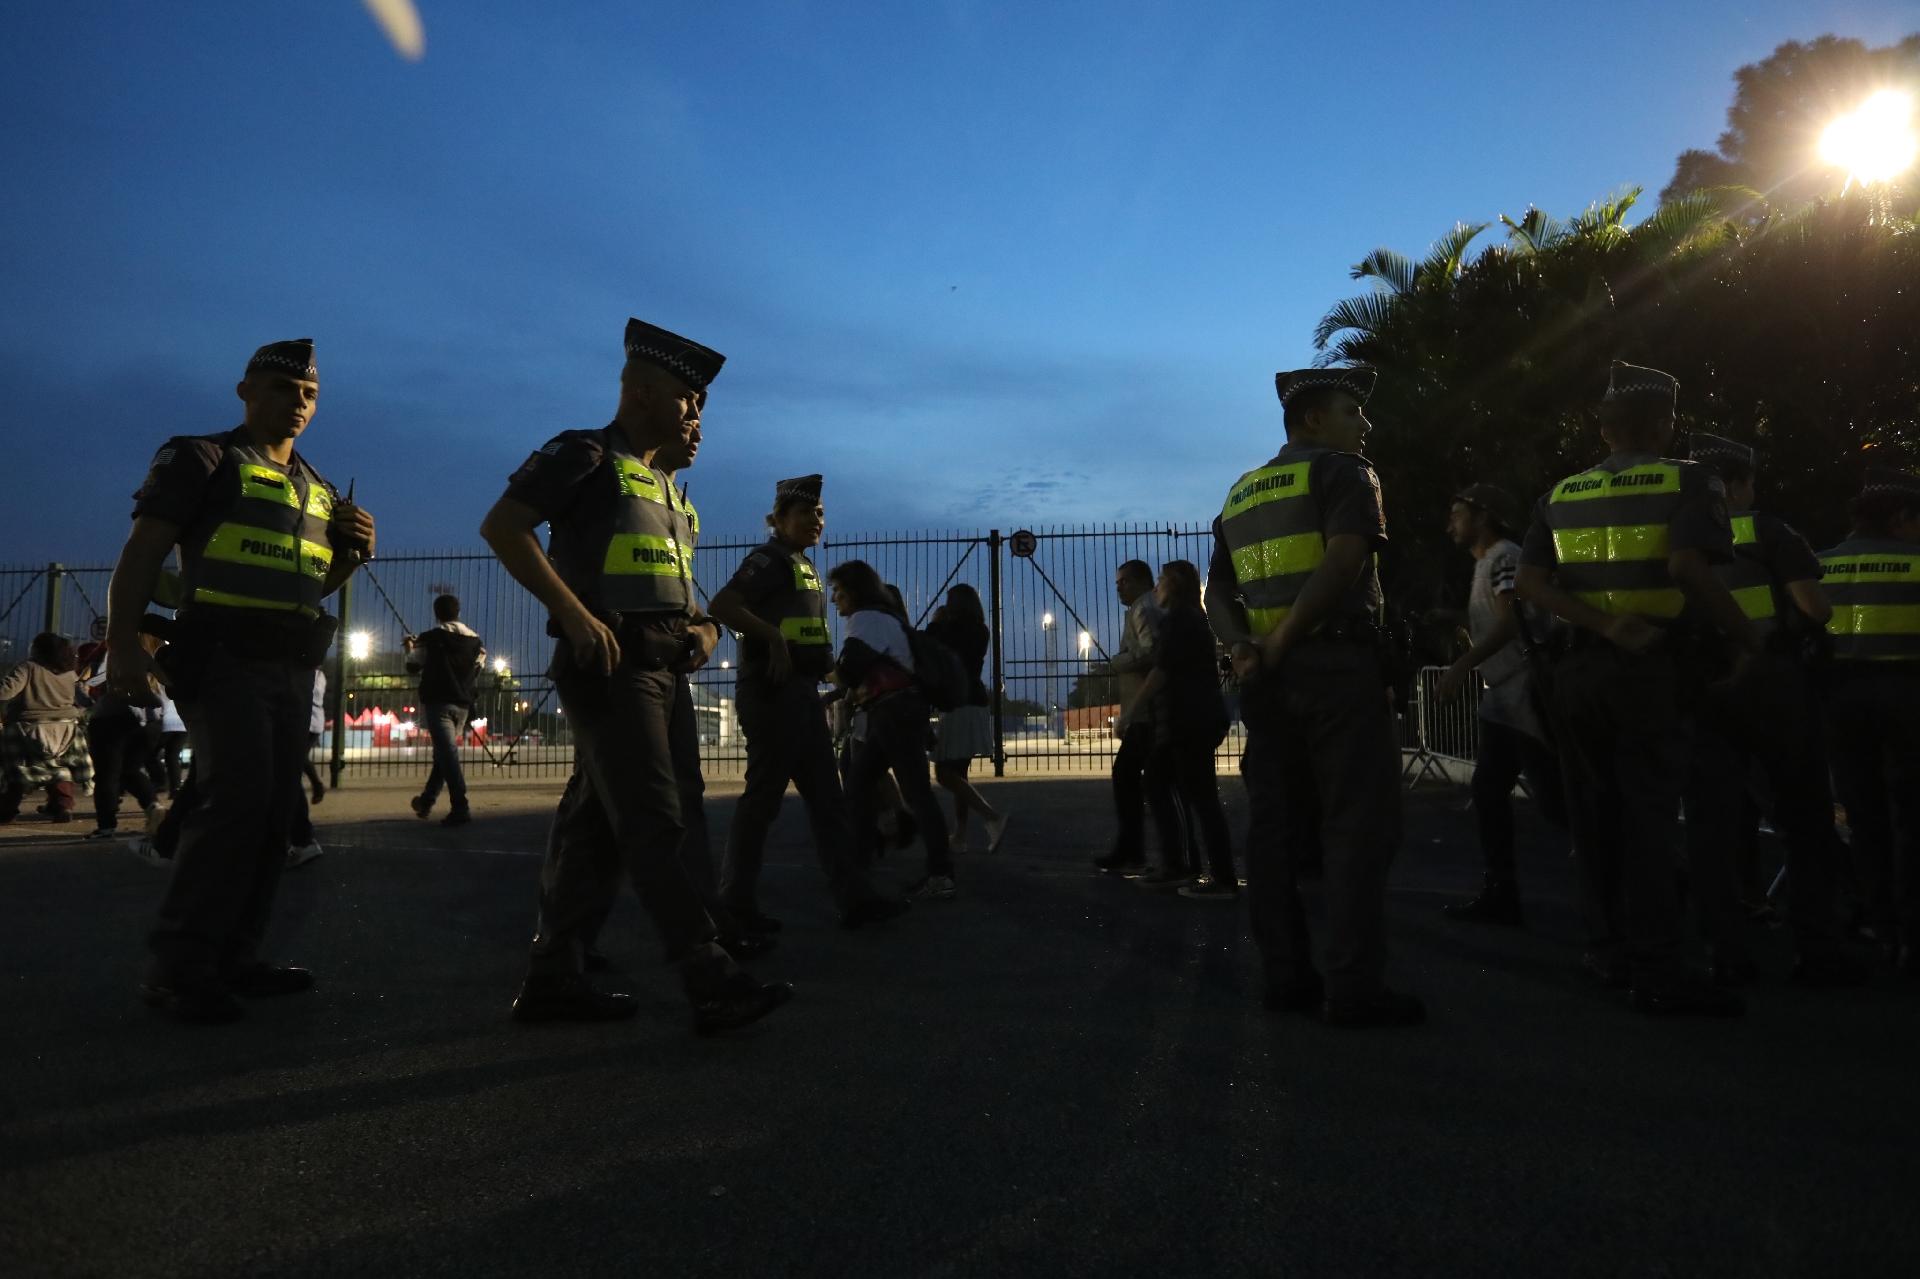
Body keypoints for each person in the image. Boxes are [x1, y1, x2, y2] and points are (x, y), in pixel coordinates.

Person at [478, 316, 789, 1034]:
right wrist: (575, 613)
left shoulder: (671, 491)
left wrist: (707, 626)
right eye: (689, 398)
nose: (698, 414)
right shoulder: (584, 454)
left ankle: (554, 975)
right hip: (610, 666)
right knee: (656, 822)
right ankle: (709, 976)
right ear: (643, 390)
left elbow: (677, 587)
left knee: (595, 828)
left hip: (664, 671)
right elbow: (503, 526)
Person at [105, 338, 376, 1024]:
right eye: (285, 389)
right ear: (246, 391)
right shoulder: (202, 457)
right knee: (236, 803)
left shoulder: (313, 485)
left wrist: (351, 553)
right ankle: (179, 965)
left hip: (289, 660)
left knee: (272, 813)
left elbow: (313, 586)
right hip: (221, 654)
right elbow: (142, 551)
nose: (299, 404)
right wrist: (123, 650)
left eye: (310, 394)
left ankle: (234, 956)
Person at [1516, 360, 1753, 1017]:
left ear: (1606, 430)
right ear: (1665, 423)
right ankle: (1658, 968)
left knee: (1595, 817)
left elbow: (1532, 586)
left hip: (1578, 673)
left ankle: (1606, 950)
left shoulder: (1559, 495)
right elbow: (1688, 567)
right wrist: (1745, 638)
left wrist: (1599, 623)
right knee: (1649, 816)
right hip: (1651, 669)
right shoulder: (1690, 478)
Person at [1208, 366, 1422, 1027]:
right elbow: (1345, 559)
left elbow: (1219, 594)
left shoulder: (1241, 495)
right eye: (1352, 411)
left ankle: (1285, 977)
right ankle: (1355, 986)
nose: (1365, 425)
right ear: (1312, 420)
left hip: (1268, 683)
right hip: (1334, 665)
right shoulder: (1344, 473)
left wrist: (1247, 648)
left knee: (1273, 830)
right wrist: (1285, 639)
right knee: (1357, 823)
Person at [1680, 434, 1862, 985]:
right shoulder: (1767, 531)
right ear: (1735, 485)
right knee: (1805, 820)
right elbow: (1817, 607)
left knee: (1711, 825)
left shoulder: (1676, 537)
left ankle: (1725, 951)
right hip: (1775, 687)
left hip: (1704, 687)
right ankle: (1817, 950)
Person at [708, 476, 909, 932]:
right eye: (804, 514)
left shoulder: (803, 567)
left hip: (801, 695)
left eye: (819, 514)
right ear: (777, 520)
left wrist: (838, 679)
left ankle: (853, 899)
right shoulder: (768, 560)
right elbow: (724, 605)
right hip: (772, 695)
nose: (815, 521)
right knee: (763, 802)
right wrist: (773, 640)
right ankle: (734, 906)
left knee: (827, 803)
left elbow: (809, 640)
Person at [1434, 483, 1567, 926]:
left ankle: (1641, 878)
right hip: (1504, 698)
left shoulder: (1505, 558)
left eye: (1457, 512)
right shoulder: (1486, 565)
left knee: (1556, 801)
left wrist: (1461, 665)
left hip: (1524, 694)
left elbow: (1513, 619)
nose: (1451, 522)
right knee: (1491, 791)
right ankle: (1501, 891)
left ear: (1482, 516)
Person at [1816, 465, 1920, 974]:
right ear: (1902, 517)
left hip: (1841, 701)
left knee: (1864, 817)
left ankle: (1878, 925)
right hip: (1908, 697)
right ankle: (1911, 934)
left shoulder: (1819, 566)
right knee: (1911, 817)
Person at [828, 559, 955, 900]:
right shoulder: (885, 618)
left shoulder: (865, 618)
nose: (834, 599)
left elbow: (849, 670)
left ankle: (940, 874)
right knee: (859, 781)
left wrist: (826, 672)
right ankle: (865, 855)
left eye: (838, 591)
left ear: (854, 591)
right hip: (895, 712)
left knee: (912, 792)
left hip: (894, 713)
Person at [1128, 561, 1236, 900]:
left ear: (1173, 583)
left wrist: (1130, 710)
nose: (1156, 587)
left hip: (1189, 721)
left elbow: (1162, 671)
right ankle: (1184, 865)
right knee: (1170, 786)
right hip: (1190, 719)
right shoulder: (1189, 618)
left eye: (1160, 580)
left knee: (1193, 795)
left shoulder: (1180, 619)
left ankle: (1211, 875)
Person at [1095, 560, 1168, 876]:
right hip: (1145, 709)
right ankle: (1133, 849)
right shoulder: (1145, 606)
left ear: (1139, 581)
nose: (1118, 587)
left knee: (1128, 777)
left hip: (1146, 710)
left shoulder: (1142, 608)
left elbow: (1153, 653)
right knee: (1137, 779)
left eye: (1122, 581)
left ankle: (1134, 850)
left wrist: (1119, 661)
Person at [927, 584, 1008, 853]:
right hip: (975, 702)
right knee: (959, 773)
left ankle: (992, 817)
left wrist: (936, 624)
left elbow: (931, 648)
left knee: (944, 773)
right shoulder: (980, 630)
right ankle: (960, 835)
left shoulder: (950, 630)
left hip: (957, 704)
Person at [404, 595, 484, 826]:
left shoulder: (430, 638)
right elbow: (477, 668)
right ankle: (426, 802)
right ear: (458, 612)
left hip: (438, 702)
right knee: (443, 755)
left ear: (436, 613)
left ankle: (461, 806)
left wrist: (410, 647)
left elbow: (413, 666)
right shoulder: (476, 641)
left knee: (447, 755)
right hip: (463, 705)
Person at [0, 632, 90, 824]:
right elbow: (83, 699)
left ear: (38, 650)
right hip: (66, 730)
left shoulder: (28, 667)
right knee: (59, 767)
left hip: (29, 728)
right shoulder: (69, 672)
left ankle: (7, 810)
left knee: (19, 769)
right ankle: (62, 806)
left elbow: (5, 691)